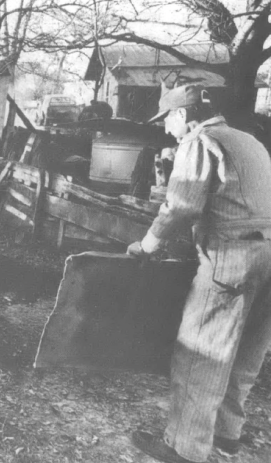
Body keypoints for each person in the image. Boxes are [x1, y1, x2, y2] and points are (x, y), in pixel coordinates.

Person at [127, 84, 271, 463]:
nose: (164, 129)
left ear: (182, 115)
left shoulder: (199, 141)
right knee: (246, 352)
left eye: (165, 120)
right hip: (270, 253)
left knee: (202, 351)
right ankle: (227, 435)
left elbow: (182, 206)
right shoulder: (248, 139)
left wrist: (148, 244)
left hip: (232, 256)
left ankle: (184, 447)